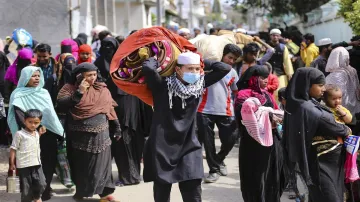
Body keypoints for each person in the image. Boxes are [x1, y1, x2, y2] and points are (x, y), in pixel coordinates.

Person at [142, 52, 231, 202]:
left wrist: (202, 61)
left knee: (193, 190)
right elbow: (149, 68)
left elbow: (224, 68)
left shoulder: (199, 84)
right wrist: (162, 58)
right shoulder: (162, 85)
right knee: (162, 192)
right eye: (190, 69)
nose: (194, 73)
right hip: (163, 145)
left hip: (189, 144)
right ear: (177, 69)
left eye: (197, 69)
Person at [284, 67, 350, 202]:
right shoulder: (310, 109)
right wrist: (346, 129)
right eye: (320, 85)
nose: (324, 89)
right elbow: (341, 129)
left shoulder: (298, 104)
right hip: (321, 165)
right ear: (308, 84)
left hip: (323, 164)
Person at [57, 62, 121, 202]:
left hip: (102, 133)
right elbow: (62, 104)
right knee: (83, 165)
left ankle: (104, 193)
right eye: (89, 75)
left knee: (103, 164)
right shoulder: (69, 88)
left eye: (94, 74)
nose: (92, 78)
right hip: (79, 135)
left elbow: (109, 108)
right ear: (80, 76)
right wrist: (79, 92)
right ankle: (81, 192)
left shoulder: (102, 88)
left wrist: (116, 126)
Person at [7, 66, 64, 201]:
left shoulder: (44, 93)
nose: (37, 78)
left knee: (48, 163)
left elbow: (51, 114)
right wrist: (34, 129)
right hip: (28, 136)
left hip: (47, 135)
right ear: (25, 77)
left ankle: (44, 191)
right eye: (33, 76)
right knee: (29, 168)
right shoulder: (18, 94)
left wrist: (58, 132)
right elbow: (19, 116)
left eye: (38, 76)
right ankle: (31, 194)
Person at [235, 65, 286, 202]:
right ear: (253, 78)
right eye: (262, 78)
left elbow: (275, 110)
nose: (266, 81)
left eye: (267, 78)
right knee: (256, 176)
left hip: (272, 142)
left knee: (272, 175)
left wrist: (277, 117)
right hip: (253, 143)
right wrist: (268, 116)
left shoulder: (267, 94)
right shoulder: (243, 95)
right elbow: (245, 116)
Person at [197, 44, 241, 183]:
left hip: (226, 110)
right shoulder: (205, 68)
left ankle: (218, 160)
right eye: (230, 57)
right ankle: (214, 170)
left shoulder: (232, 72)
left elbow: (235, 91)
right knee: (208, 143)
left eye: (234, 59)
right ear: (222, 54)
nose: (231, 61)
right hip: (204, 110)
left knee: (231, 139)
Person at [9, 109, 47, 202]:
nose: (33, 125)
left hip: (37, 164)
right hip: (24, 166)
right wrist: (11, 164)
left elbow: (34, 142)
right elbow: (13, 149)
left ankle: (36, 197)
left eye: (36, 122)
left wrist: (40, 134)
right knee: (26, 189)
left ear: (40, 122)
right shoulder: (19, 134)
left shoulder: (37, 134)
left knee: (42, 183)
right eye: (30, 122)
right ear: (24, 120)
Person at [325, 47, 360, 115]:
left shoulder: (337, 74)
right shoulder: (351, 69)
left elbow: (339, 94)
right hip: (355, 106)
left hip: (342, 110)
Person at [268, 29, 294, 98]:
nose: (275, 37)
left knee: (281, 91)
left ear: (279, 36)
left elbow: (287, 61)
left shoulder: (283, 47)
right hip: (268, 74)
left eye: (277, 35)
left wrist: (289, 74)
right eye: (273, 35)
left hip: (280, 74)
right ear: (270, 36)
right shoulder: (265, 46)